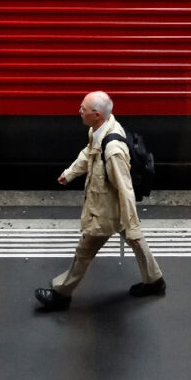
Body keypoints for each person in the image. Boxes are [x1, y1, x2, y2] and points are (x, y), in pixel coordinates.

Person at [34, 90, 165, 311]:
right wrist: (70, 173)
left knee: (84, 252)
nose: (79, 111)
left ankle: (61, 294)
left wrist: (132, 223)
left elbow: (125, 189)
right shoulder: (100, 129)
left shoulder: (113, 149)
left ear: (96, 115)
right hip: (114, 207)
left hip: (106, 211)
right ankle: (155, 281)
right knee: (137, 242)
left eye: (83, 109)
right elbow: (89, 153)